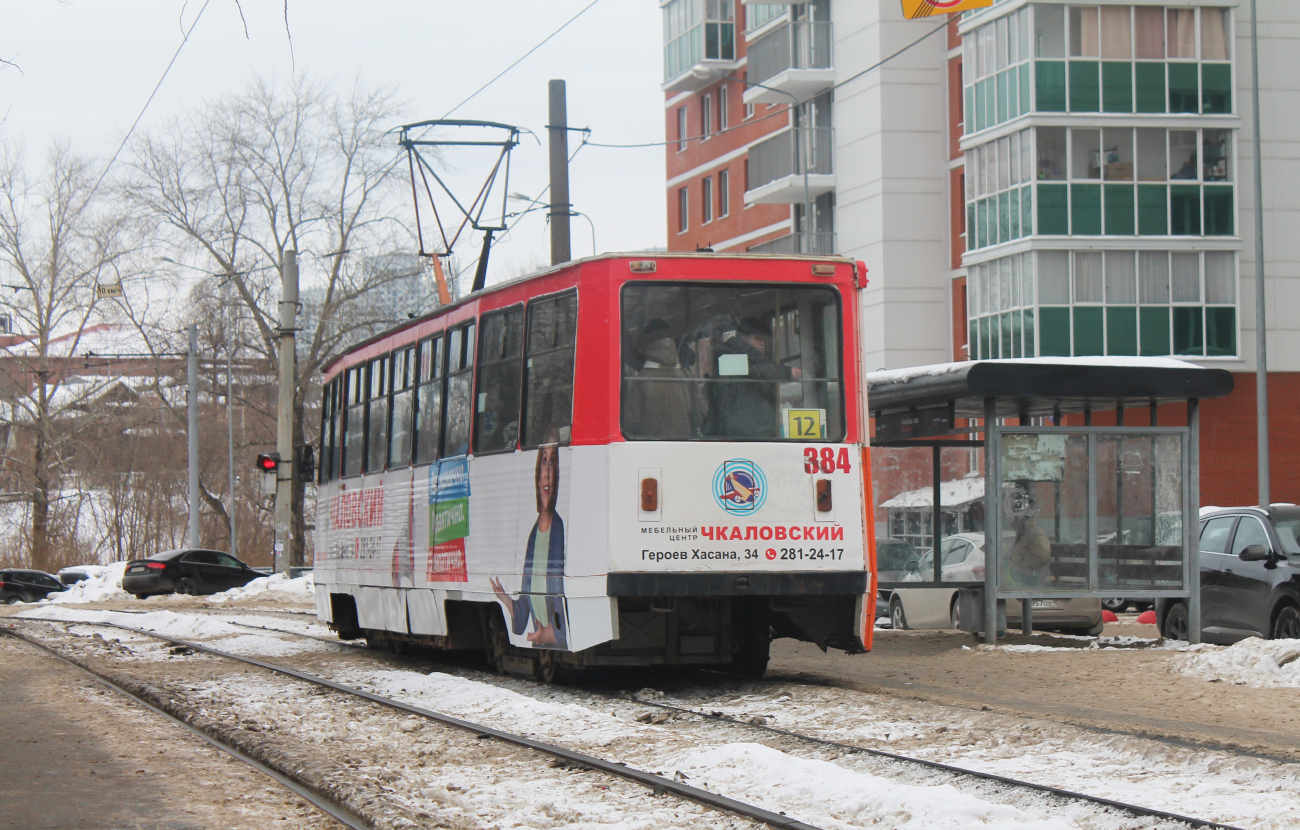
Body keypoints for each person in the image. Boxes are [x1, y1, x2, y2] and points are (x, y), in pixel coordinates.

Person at [490, 435, 567, 648]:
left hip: (554, 644)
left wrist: (554, 634)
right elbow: (523, 616)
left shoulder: (560, 529)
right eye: (544, 461)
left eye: (553, 462)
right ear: (537, 473)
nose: (547, 473)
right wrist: (506, 600)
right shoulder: (533, 534)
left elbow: (567, 598)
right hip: (542, 645)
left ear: (558, 473)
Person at [707, 317, 800, 438]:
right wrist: (787, 372)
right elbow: (759, 370)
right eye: (757, 338)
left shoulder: (749, 357)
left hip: (748, 420)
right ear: (743, 338)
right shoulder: (731, 355)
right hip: (743, 423)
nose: (763, 343)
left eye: (764, 339)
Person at [622, 319, 700, 438]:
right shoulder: (687, 376)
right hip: (684, 444)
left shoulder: (642, 379)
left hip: (650, 447)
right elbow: (702, 411)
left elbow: (630, 422)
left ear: (648, 343)